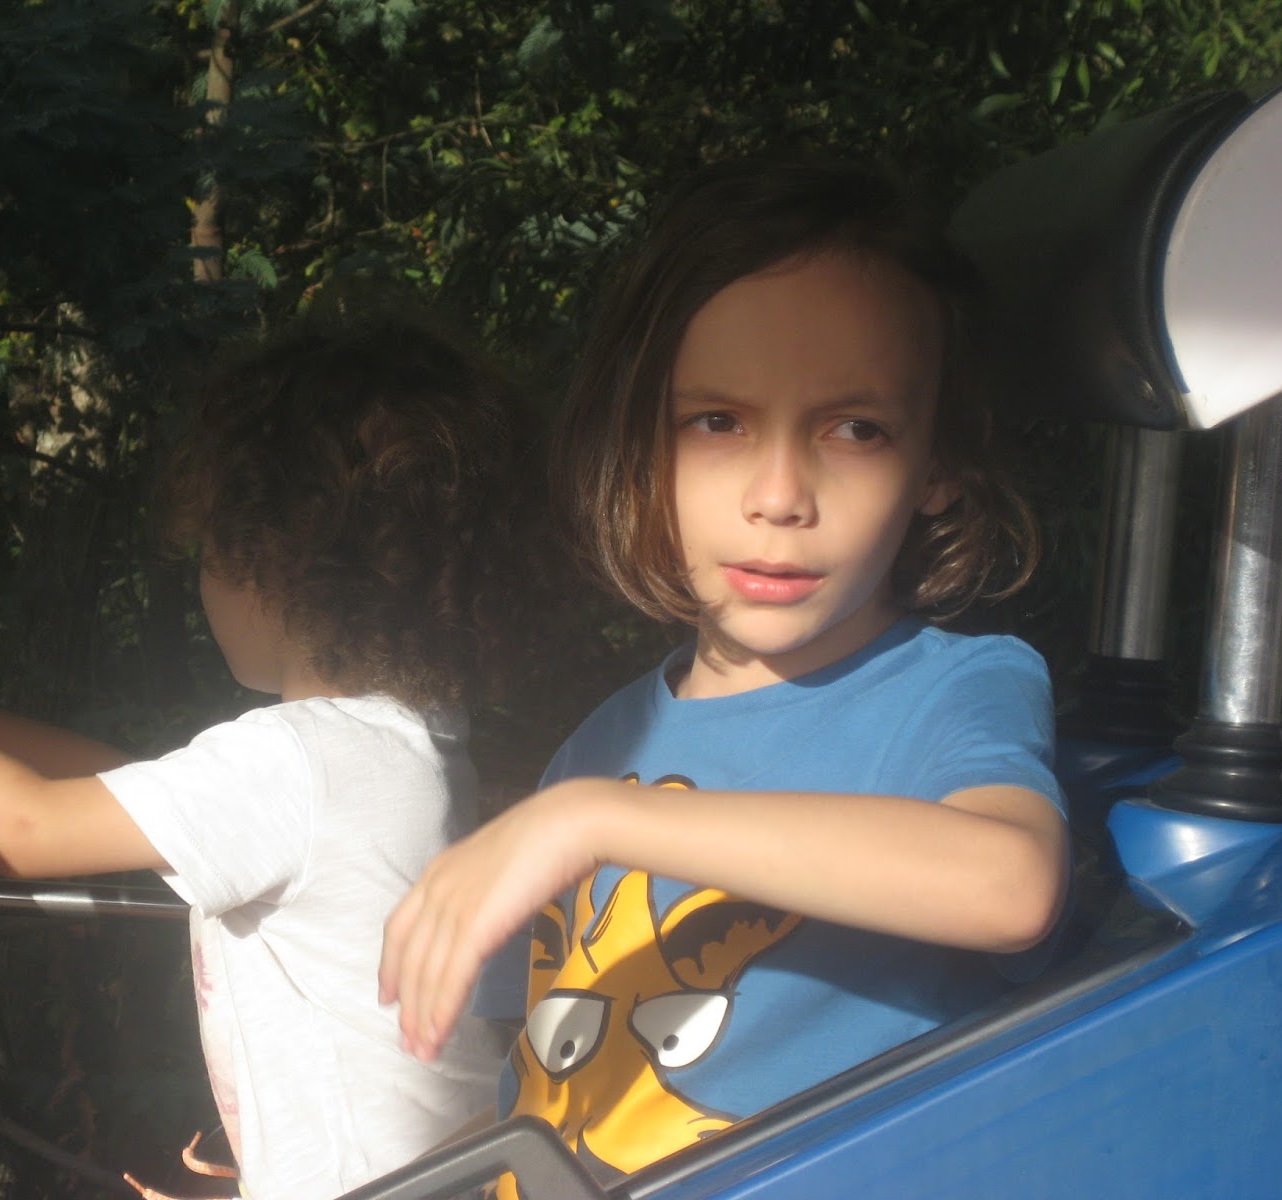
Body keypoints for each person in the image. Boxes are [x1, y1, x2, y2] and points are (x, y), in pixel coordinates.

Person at [0, 310, 539, 1200]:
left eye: (209, 550)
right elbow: (99, 774)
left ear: (268, 563)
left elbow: (26, 825)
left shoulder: (298, 763)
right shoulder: (398, 742)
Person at [377, 158, 1071, 1193]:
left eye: (856, 429)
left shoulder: (952, 691)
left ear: (939, 467)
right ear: (641, 448)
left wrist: (591, 820)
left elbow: (1009, 886)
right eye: (718, 422)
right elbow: (542, 1104)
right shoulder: (603, 745)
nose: (779, 495)